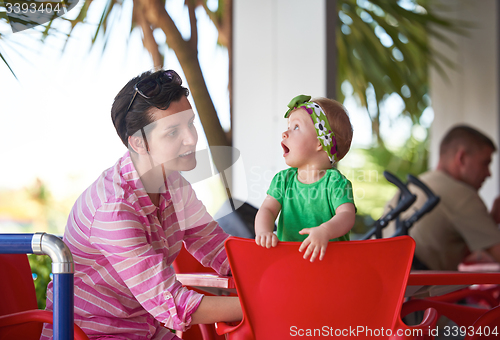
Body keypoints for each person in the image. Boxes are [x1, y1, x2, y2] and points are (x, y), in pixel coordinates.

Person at [40, 69, 242, 340]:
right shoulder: (113, 209)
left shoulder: (175, 185)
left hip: (143, 330)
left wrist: (289, 270)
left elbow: (220, 250)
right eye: (173, 132)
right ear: (139, 143)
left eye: (190, 124)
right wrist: (261, 305)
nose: (192, 138)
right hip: (91, 335)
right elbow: (172, 305)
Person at [254, 95, 356, 262]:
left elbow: (346, 215)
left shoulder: (335, 182)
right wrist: (263, 232)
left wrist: (325, 231)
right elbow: (267, 210)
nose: (285, 133)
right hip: (289, 262)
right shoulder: (283, 180)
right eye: (288, 126)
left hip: (330, 264)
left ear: (320, 143)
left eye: (295, 127)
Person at [386, 124, 500, 271]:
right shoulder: (461, 194)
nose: (489, 174)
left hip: (384, 287)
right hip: (417, 291)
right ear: (462, 158)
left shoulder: (415, 184)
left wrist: (491, 220)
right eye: (485, 163)